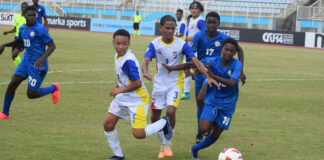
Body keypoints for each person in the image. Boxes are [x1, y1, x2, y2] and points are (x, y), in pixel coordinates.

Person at [141, 15, 218, 158]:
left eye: (172, 28)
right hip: (158, 85)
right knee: (154, 118)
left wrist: (207, 76)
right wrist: (145, 71)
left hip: (175, 83)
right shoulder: (155, 43)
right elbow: (145, 60)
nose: (170, 31)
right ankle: (164, 145)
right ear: (161, 28)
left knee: (170, 111)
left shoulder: (181, 44)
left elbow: (196, 61)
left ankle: (168, 139)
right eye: (167, 28)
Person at [162, 38, 242, 159]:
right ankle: (212, 121)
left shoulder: (237, 64)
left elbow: (231, 83)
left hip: (228, 104)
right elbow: (192, 64)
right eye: (226, 49)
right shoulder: (212, 61)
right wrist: (172, 68)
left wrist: (212, 75)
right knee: (203, 129)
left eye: (232, 51)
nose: (228, 53)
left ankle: (194, 149)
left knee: (216, 135)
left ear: (235, 53)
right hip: (212, 99)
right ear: (221, 49)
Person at [103, 29, 173, 160]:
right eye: (118, 43)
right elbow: (125, 77)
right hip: (123, 97)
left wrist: (119, 90)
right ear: (113, 43)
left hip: (137, 99)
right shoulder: (117, 56)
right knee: (108, 124)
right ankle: (118, 156)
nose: (121, 47)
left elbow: (138, 83)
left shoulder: (128, 61)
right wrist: (119, 85)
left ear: (129, 43)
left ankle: (165, 121)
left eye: (124, 44)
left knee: (138, 134)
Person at [191, 11, 246, 144]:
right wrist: (193, 68)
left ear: (218, 24)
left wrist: (241, 71)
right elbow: (192, 54)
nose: (211, 25)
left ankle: (203, 130)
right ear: (205, 23)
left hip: (215, 73)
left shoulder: (223, 38)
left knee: (202, 98)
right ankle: (202, 129)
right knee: (199, 102)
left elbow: (240, 50)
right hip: (202, 72)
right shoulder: (199, 36)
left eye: (214, 23)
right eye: (209, 22)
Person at [0, 6, 59, 120]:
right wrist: (5, 45)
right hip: (25, 61)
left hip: (37, 65)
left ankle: (54, 88)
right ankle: (5, 113)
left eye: (34, 16)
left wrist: (42, 58)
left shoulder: (40, 29)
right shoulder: (22, 28)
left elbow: (52, 46)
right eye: (29, 15)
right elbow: (20, 42)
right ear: (24, 16)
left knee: (31, 94)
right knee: (12, 84)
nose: (32, 18)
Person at [181, 1, 207, 100]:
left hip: (196, 49)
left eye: (196, 8)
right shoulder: (191, 19)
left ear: (200, 10)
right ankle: (186, 92)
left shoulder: (200, 21)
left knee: (198, 70)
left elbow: (204, 32)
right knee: (187, 68)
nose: (194, 10)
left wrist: (189, 38)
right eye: (192, 8)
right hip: (189, 48)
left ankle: (203, 88)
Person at [2, 2, 28, 67]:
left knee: (15, 53)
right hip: (17, 38)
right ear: (21, 8)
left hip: (25, 38)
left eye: (25, 7)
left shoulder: (28, 18)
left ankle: (22, 68)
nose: (24, 8)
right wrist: (8, 32)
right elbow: (16, 28)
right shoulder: (17, 17)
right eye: (22, 7)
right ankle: (20, 67)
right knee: (13, 56)